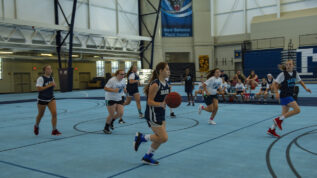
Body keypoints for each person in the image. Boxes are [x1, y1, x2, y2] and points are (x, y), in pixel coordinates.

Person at [134, 62, 170, 165]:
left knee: (159, 138)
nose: (169, 71)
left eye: (169, 69)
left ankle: (147, 157)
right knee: (164, 138)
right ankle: (141, 137)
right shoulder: (155, 84)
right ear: (160, 71)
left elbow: (165, 99)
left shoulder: (167, 84)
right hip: (152, 114)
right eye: (166, 69)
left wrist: (170, 101)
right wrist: (160, 104)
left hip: (161, 113)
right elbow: (149, 101)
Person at [267, 60, 312, 138]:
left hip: (288, 95)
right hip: (285, 95)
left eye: (290, 64)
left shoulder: (295, 73)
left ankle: (272, 129)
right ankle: (277, 119)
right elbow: (274, 83)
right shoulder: (282, 74)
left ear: (293, 65)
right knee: (297, 110)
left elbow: (300, 81)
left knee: (284, 115)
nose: (288, 66)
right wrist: (276, 93)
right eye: (287, 64)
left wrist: (306, 88)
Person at [34, 65, 61, 136]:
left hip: (51, 98)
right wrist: (49, 85)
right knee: (40, 114)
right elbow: (39, 89)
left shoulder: (52, 78)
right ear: (44, 71)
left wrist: (54, 85)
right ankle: (36, 126)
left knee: (54, 113)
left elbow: (52, 86)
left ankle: (54, 130)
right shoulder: (40, 78)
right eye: (48, 69)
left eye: (50, 69)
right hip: (42, 99)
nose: (49, 70)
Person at [103, 70, 126, 134]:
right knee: (112, 114)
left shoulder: (123, 80)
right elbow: (105, 88)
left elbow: (124, 87)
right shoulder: (112, 80)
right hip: (110, 98)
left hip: (119, 98)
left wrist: (125, 90)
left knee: (120, 113)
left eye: (124, 74)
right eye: (121, 74)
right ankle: (106, 128)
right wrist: (113, 90)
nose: (123, 76)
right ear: (117, 74)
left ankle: (112, 121)